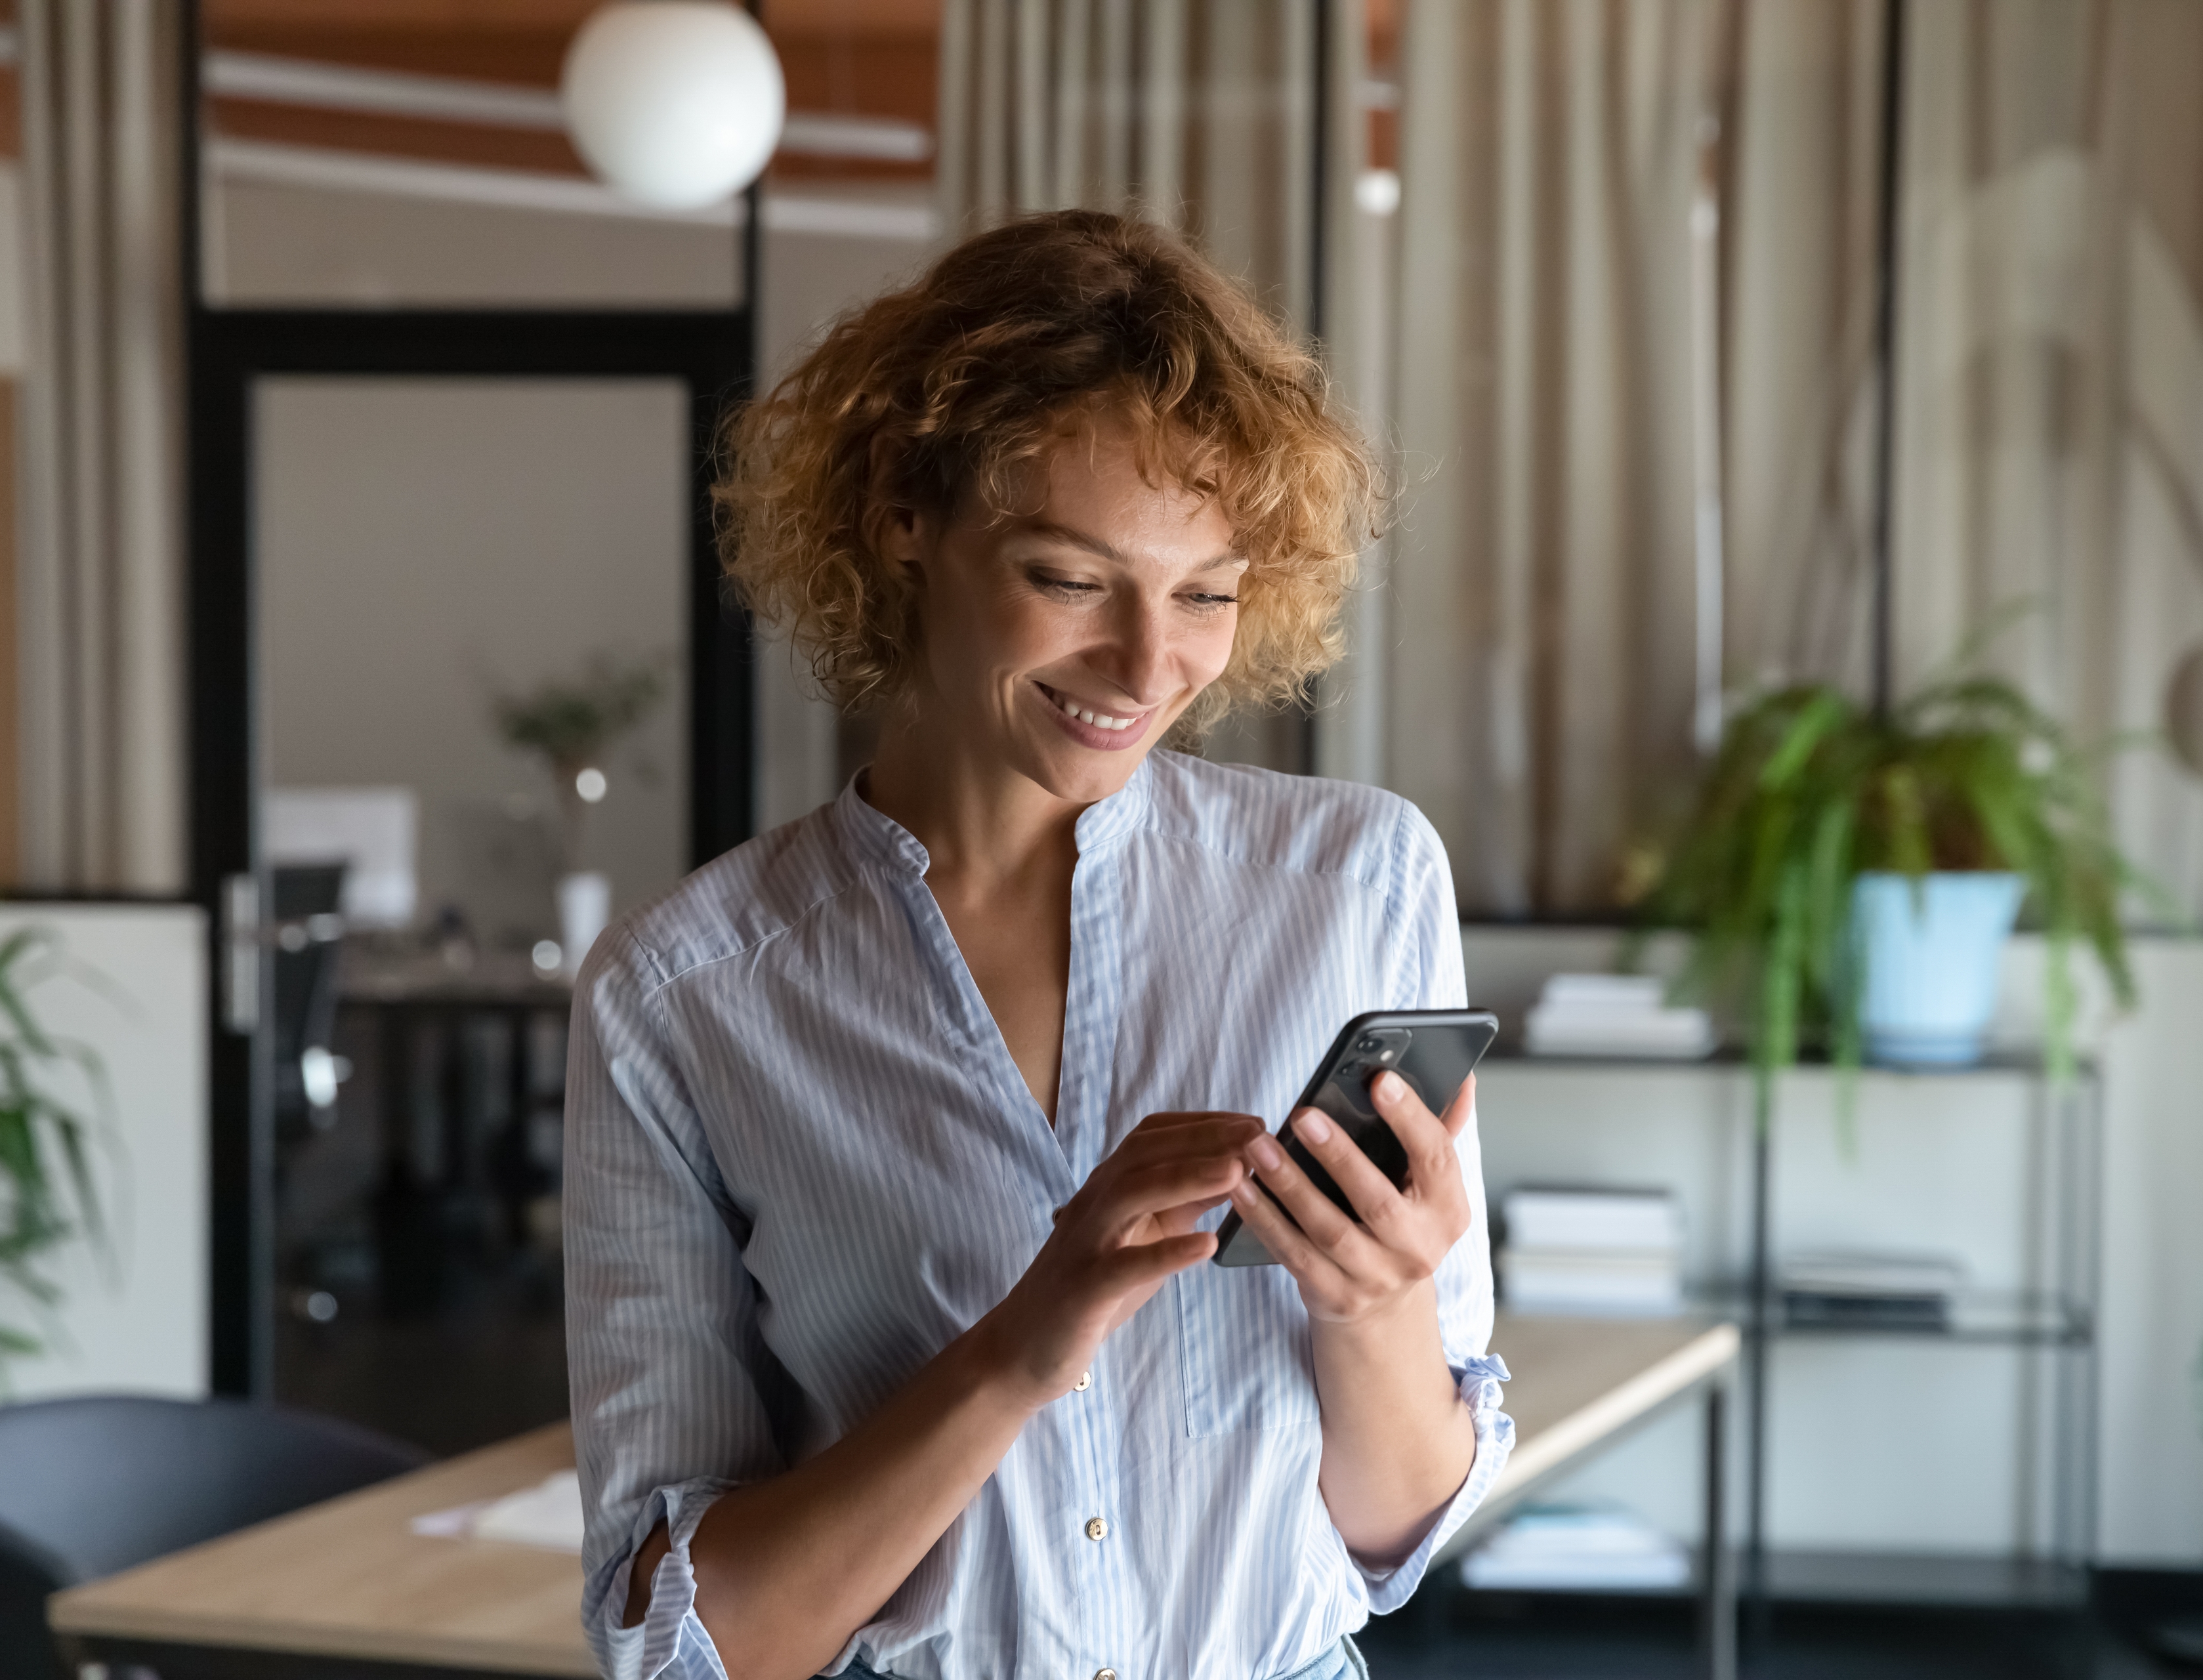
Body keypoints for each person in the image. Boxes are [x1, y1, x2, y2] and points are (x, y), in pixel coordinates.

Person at [566, 209, 1512, 1680]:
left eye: (1204, 593)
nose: (1149, 667)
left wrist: (1374, 1299)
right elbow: (696, 1640)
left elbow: (1393, 1534)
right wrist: (1023, 1341)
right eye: (1072, 578)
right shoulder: (686, 995)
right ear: (902, 510)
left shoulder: (1355, 881)